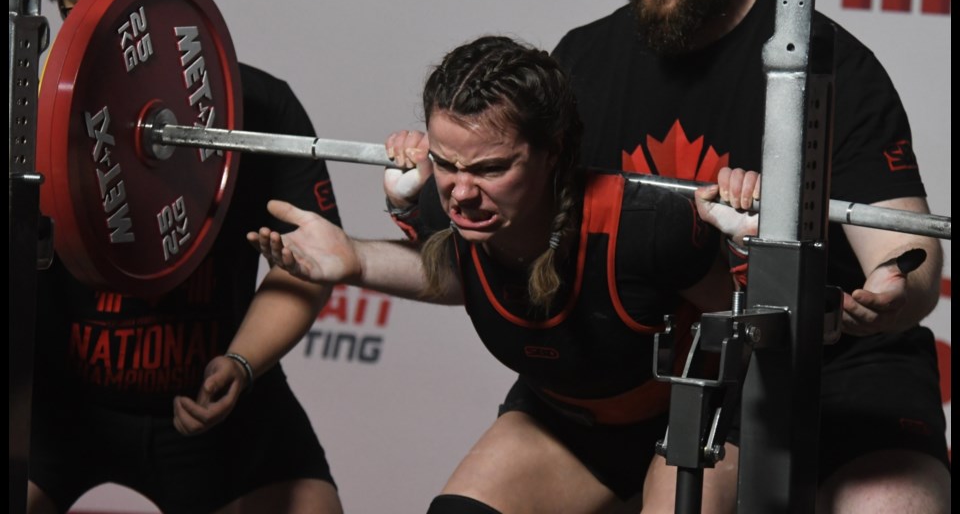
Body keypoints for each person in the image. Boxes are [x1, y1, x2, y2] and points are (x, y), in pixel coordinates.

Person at [550, 0, 950, 512]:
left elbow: (910, 254)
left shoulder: (836, 64)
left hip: (848, 363)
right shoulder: (582, 60)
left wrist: (892, 291)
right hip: (688, 363)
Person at [249, 35, 758, 514]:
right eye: (446, 164)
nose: (463, 193)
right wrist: (352, 259)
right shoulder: (443, 210)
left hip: (693, 414)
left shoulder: (647, 227)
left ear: (552, 152)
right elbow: (453, 276)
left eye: (492, 169)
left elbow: (745, 327)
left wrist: (744, 250)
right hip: (566, 423)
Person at [29, 0, 344, 514]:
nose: (80, 44)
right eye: (71, 20)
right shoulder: (26, 115)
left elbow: (307, 264)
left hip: (210, 396)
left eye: (106, 27)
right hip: (59, 408)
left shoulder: (259, 106)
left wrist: (241, 363)